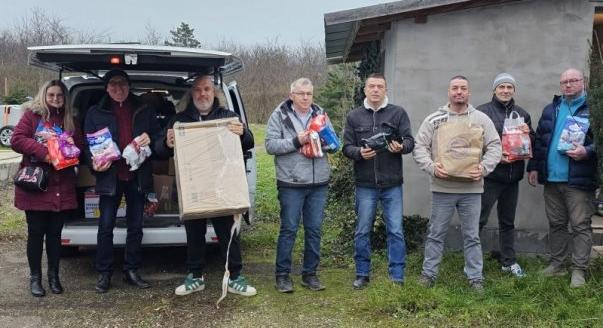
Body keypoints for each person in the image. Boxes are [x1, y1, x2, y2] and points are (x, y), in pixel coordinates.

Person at [156, 74, 256, 297]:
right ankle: (195, 276)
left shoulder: (228, 116)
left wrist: (243, 132)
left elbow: (249, 142)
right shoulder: (179, 120)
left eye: (207, 89)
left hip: (222, 184)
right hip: (194, 186)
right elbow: (160, 151)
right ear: (192, 94)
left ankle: (235, 277)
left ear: (214, 93)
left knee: (229, 232)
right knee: (194, 233)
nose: (203, 94)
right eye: (198, 90)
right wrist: (166, 141)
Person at [413, 75, 501, 293]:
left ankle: (475, 278)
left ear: (469, 92)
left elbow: (495, 146)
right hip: (442, 188)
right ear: (449, 92)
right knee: (436, 234)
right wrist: (432, 167)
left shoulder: (481, 119)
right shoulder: (435, 119)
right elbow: (419, 147)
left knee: (472, 235)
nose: (459, 92)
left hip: (472, 190)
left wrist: (483, 168)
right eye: (455, 88)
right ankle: (428, 274)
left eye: (463, 88)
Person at [84, 70, 161, 293]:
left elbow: (157, 140)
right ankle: (104, 273)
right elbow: (87, 147)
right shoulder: (95, 112)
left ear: (129, 85)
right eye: (113, 84)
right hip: (110, 178)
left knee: (136, 227)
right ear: (107, 88)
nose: (119, 88)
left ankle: (131, 270)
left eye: (123, 83)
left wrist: (151, 138)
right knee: (105, 226)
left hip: (137, 176)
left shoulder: (144, 109)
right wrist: (93, 163)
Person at [11, 80, 84, 297]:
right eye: (51, 95)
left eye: (59, 96)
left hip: (62, 184)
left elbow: (79, 147)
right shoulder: (32, 117)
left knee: (55, 235)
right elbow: (17, 139)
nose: (55, 99)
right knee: (35, 234)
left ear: (65, 98)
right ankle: (35, 278)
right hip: (36, 185)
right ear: (44, 95)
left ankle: (54, 277)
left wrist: (70, 147)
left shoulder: (70, 120)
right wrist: (45, 153)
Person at [342, 73, 414, 289]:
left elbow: (410, 141)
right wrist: (358, 153)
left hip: (392, 183)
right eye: (371, 86)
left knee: (395, 230)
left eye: (379, 86)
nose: (375, 90)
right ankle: (362, 274)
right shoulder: (354, 116)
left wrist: (401, 147)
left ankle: (397, 276)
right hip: (365, 184)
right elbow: (346, 147)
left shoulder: (398, 113)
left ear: (385, 90)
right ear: (365, 90)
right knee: (363, 230)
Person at [527, 68, 596, 288]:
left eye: (573, 81)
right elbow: (540, 141)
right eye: (564, 82)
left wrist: (587, 151)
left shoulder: (594, 108)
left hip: (579, 179)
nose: (568, 85)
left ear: (583, 82)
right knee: (556, 224)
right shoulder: (552, 109)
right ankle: (557, 264)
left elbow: (600, 142)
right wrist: (534, 168)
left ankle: (579, 270)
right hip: (552, 179)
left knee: (580, 225)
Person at [265, 77, 332, 293]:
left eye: (309, 93)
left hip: (318, 182)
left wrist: (327, 142)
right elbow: (270, 145)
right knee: (289, 229)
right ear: (291, 94)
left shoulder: (321, 115)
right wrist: (297, 141)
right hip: (291, 182)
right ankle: (282, 276)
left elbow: (334, 143)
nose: (305, 97)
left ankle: (310, 274)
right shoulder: (279, 115)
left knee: (314, 230)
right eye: (301, 93)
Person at [476, 73, 534, 278]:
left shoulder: (522, 114)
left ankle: (508, 262)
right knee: (478, 220)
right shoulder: (482, 112)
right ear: (494, 90)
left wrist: (528, 133)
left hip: (512, 179)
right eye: (501, 87)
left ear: (514, 90)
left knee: (508, 222)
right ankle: (472, 263)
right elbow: (474, 144)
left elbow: (530, 144)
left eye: (509, 87)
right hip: (490, 177)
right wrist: (494, 158)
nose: (505, 90)